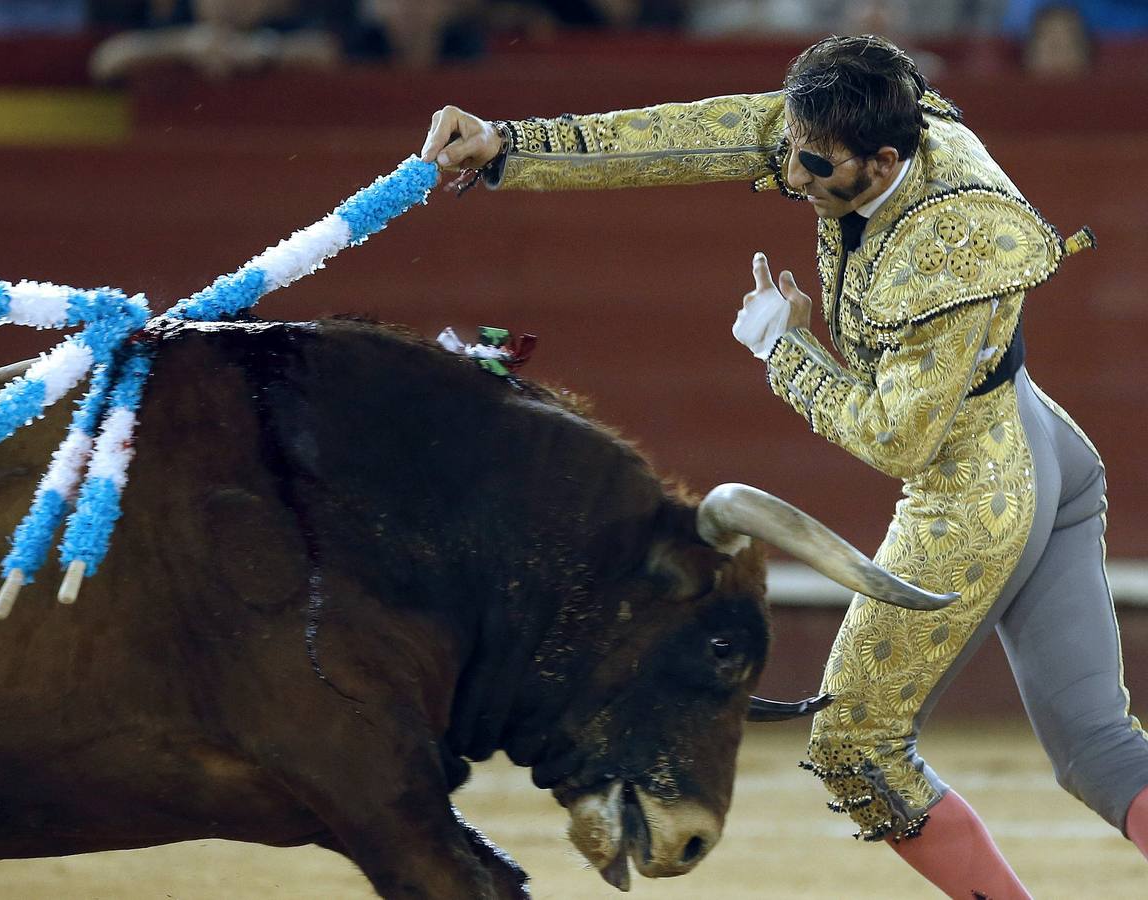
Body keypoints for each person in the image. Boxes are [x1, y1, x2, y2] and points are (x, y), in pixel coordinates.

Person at [419, 33, 1148, 898]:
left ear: (882, 162)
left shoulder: (957, 245)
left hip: (983, 483)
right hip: (1035, 436)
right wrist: (508, 146)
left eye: (812, 164)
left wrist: (787, 349)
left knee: (858, 752)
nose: (792, 176)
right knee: (1097, 743)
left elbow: (898, 437)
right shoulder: (857, 122)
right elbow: (695, 136)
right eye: (794, 152)